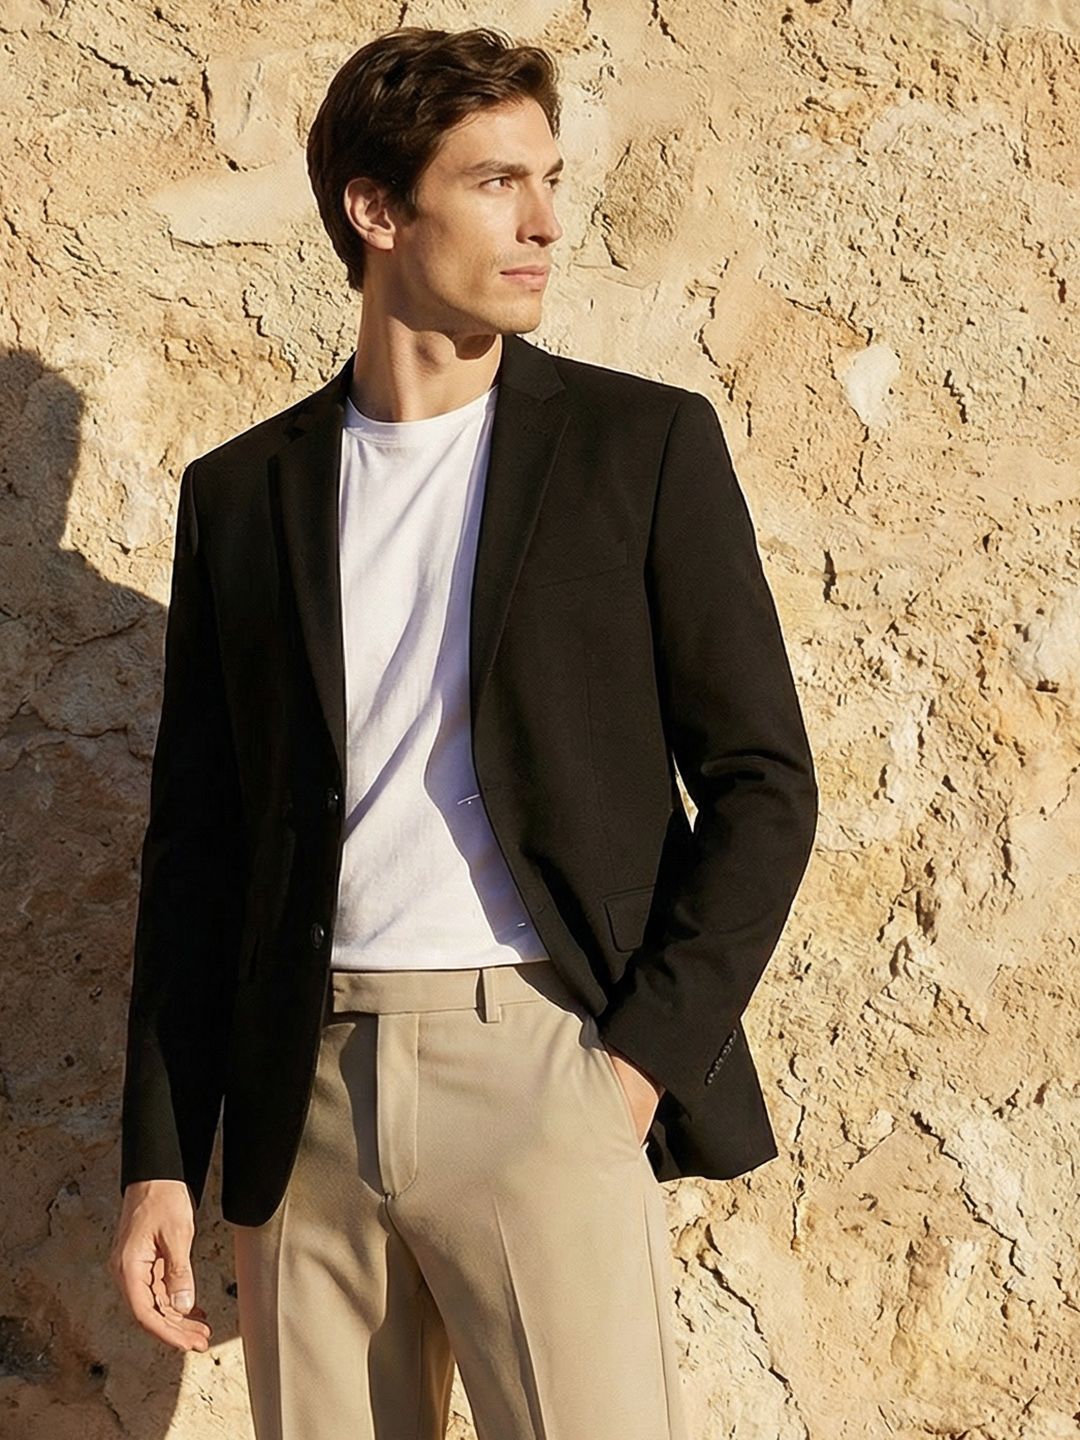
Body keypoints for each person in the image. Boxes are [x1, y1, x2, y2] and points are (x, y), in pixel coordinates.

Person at [109, 24, 818, 1440]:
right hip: (303, 1094)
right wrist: (162, 1156)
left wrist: (627, 1073)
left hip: (541, 1067)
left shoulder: (640, 450)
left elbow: (763, 785)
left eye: (551, 179)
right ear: (378, 210)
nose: (546, 222)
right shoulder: (242, 496)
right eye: (498, 183)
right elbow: (200, 848)